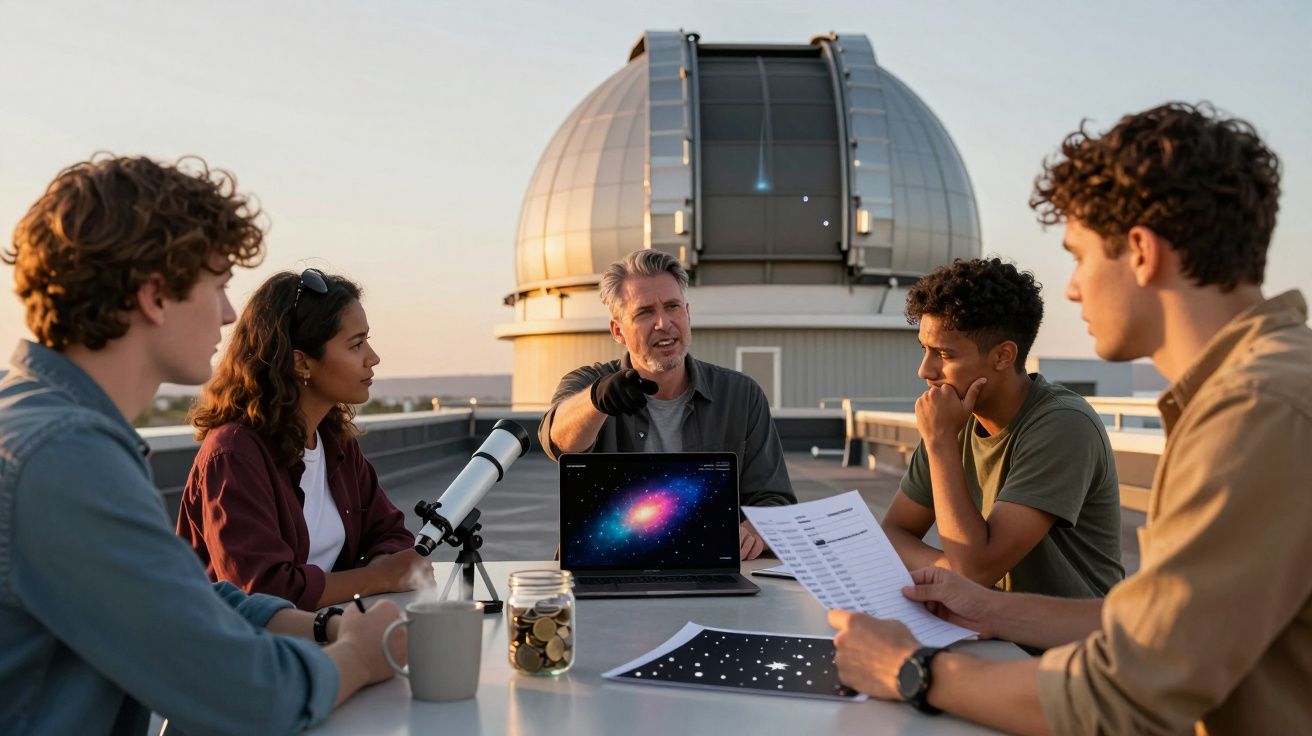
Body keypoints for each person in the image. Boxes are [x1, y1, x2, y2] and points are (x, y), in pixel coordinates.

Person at [829, 102, 1309, 734]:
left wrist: (910, 669)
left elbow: (1123, 695)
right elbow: (1148, 625)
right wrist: (989, 611)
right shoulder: (1258, 389)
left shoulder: (1257, 411)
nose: (1074, 288)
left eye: (1079, 257)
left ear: (1140, 252)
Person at [0, 155, 403, 734]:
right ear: (154, 295)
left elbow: (186, 596)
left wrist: (321, 626)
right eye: (216, 284)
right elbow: (248, 693)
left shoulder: (50, 428)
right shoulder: (63, 457)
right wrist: (358, 658)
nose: (228, 313)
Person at [178, 270, 431, 611]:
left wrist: (380, 569)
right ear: (302, 362)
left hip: (325, 636)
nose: (373, 357)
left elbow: (391, 534)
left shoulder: (335, 442)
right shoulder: (234, 455)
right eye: (356, 344)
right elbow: (264, 591)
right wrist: (378, 577)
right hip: (244, 655)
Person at [882, 258, 1123, 598]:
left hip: (1060, 644)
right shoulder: (953, 418)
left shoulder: (1063, 425)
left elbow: (975, 570)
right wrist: (955, 576)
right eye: (925, 350)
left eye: (943, 354)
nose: (925, 370)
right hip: (991, 629)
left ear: (1003, 356)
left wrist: (939, 444)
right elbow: (894, 533)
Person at [539, 249, 796, 560]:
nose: (663, 323)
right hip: (605, 565)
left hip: (710, 567)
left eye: (672, 307)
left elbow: (775, 500)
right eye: (645, 312)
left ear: (687, 313)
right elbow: (556, 439)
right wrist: (596, 401)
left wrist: (756, 530)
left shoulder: (741, 396)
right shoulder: (587, 386)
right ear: (618, 330)